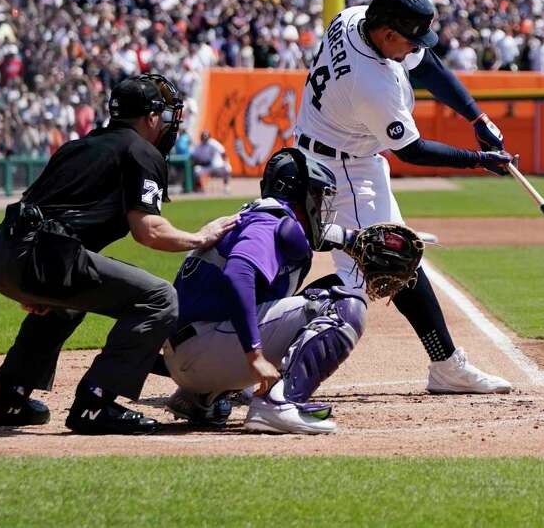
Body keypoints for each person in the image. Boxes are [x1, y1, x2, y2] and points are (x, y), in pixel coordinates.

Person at [0, 74, 237, 434]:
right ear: (151, 118)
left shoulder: (78, 146)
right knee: (159, 298)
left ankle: (8, 396)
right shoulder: (142, 150)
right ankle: (96, 402)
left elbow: (42, 210)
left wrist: (35, 284)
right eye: (168, 116)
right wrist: (199, 237)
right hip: (37, 256)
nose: (171, 126)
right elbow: (148, 230)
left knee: (67, 304)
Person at [292, 0, 516, 394]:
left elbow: (426, 64)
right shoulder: (372, 83)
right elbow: (412, 151)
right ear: (388, 34)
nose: (415, 46)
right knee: (365, 278)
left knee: (401, 257)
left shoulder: (356, 17)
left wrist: (476, 117)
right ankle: (254, 358)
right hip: (343, 174)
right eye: (410, 38)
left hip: (336, 154)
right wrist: (478, 161)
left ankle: (446, 364)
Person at [161, 148, 419, 434]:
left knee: (325, 286)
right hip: (204, 351)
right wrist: (254, 356)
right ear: (301, 193)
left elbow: (307, 238)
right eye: (319, 195)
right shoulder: (268, 222)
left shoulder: (259, 216)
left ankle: (203, 398)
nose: (322, 203)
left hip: (192, 352)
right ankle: (279, 403)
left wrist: (352, 238)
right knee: (347, 304)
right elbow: (239, 274)